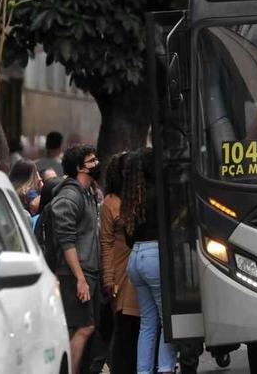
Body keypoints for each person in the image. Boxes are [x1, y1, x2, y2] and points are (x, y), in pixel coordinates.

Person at [123, 148, 176, 374]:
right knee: (168, 321)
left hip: (135, 256)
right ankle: (165, 367)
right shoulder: (161, 193)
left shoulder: (132, 196)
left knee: (147, 322)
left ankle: (143, 371)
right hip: (155, 255)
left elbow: (127, 236)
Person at [51, 145, 103, 374]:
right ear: (79, 168)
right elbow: (66, 240)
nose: (96, 164)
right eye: (91, 161)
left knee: (83, 328)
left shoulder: (87, 193)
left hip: (86, 273)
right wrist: (80, 278)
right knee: (83, 327)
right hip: (75, 275)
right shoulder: (70, 196)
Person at [100, 152, 139, 374]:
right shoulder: (110, 202)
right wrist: (109, 279)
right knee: (125, 328)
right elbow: (105, 243)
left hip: (137, 269)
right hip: (121, 274)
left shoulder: (137, 196)